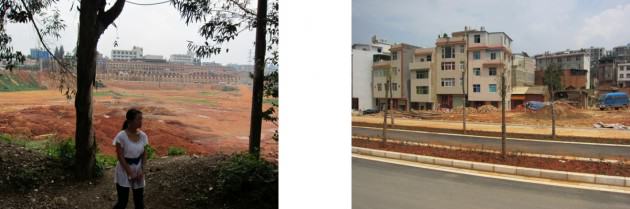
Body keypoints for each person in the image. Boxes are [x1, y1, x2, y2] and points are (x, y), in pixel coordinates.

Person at [113, 108, 148, 209]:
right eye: (138, 119)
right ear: (130, 121)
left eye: (142, 119)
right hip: (124, 170)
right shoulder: (121, 136)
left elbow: (144, 154)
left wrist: (142, 169)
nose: (141, 121)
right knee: (122, 202)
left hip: (138, 169)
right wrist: (129, 172)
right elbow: (120, 156)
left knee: (139, 202)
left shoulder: (143, 136)